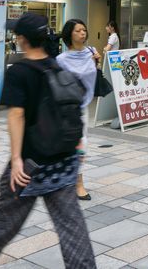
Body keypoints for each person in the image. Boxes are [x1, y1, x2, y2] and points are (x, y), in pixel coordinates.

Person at [0, 13, 96, 269]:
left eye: (17, 35)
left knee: (7, 219)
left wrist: (17, 159)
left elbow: (17, 116)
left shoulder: (20, 71)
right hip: (63, 164)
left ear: (22, 39)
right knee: (72, 228)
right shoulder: (57, 66)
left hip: (30, 163)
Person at [57, 19, 101, 201]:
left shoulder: (91, 52)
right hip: (65, 109)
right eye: (78, 31)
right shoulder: (61, 59)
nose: (82, 33)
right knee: (66, 145)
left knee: (81, 144)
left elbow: (93, 76)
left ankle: (78, 182)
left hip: (82, 107)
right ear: (69, 34)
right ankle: (68, 180)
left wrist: (97, 62)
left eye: (84, 30)